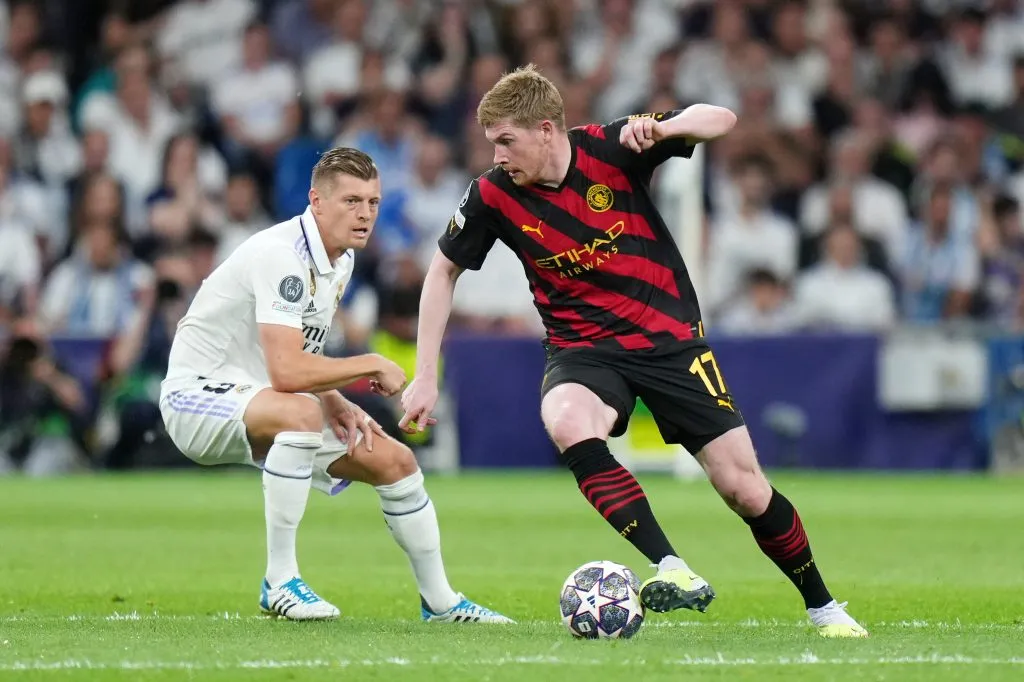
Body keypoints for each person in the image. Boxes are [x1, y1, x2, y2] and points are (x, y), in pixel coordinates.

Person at [399, 65, 867, 638]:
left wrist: (668, 130)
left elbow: (720, 119)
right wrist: (425, 375)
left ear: (546, 130)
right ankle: (669, 564)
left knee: (743, 488)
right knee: (566, 419)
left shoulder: (612, 147)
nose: (496, 155)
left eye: (505, 140)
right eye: (491, 142)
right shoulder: (493, 194)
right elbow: (442, 272)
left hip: (668, 342)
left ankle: (823, 605)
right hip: (583, 351)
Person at [159, 147, 511, 624]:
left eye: (372, 202)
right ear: (316, 202)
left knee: (395, 461)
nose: (365, 214)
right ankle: (279, 582)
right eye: (351, 201)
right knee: (299, 413)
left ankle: (441, 602)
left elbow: (297, 353)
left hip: (265, 399)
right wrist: (366, 364)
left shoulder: (338, 259)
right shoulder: (282, 256)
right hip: (195, 396)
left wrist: (335, 399)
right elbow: (286, 371)